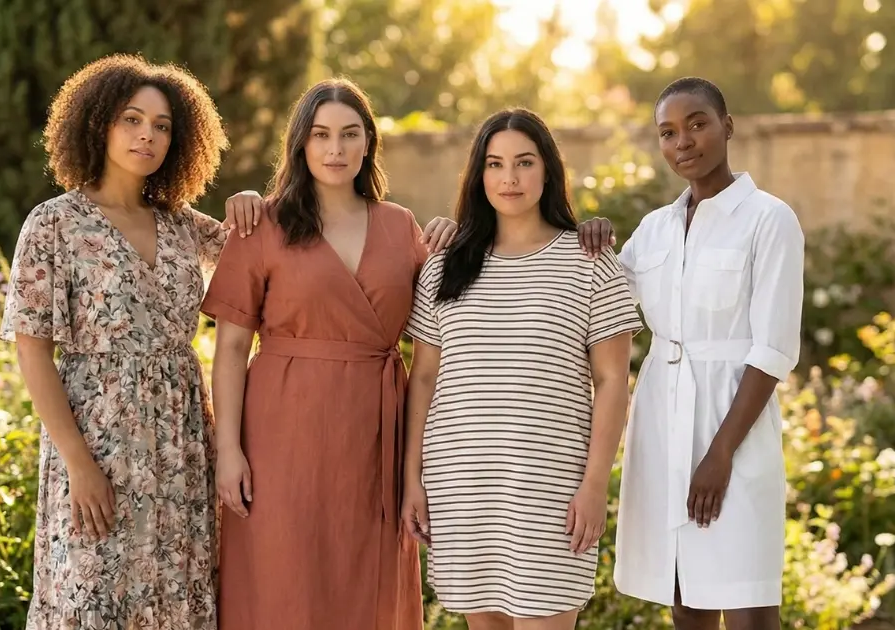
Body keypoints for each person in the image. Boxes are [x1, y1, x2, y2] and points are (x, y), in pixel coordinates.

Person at [204, 80, 618, 630]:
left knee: (365, 580)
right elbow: (230, 349)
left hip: (376, 439)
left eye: (350, 134)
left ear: (369, 143)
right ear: (299, 143)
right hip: (281, 433)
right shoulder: (262, 224)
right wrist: (228, 450)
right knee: (283, 578)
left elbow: (449, 327)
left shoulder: (404, 229)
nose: (335, 149)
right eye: (321, 135)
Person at [0, 54, 235, 628]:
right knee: (92, 591)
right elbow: (32, 349)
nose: (147, 136)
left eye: (161, 126)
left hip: (180, 444)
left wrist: (254, 203)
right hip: (96, 439)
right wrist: (79, 464)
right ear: (99, 123)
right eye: (132, 119)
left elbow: (272, 255)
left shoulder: (185, 225)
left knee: (175, 592)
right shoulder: (54, 223)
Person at [399, 108, 642, 630]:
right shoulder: (444, 266)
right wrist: (412, 478)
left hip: (550, 488)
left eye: (524, 163)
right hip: (460, 485)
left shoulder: (589, 261)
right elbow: (422, 379)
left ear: (548, 171)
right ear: (478, 174)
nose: (509, 178)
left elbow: (613, 382)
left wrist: (596, 483)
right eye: (495, 164)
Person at [611, 77, 805, 630]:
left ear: (728, 126)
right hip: (662, 427)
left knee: (747, 599)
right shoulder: (652, 231)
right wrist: (590, 236)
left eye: (697, 123)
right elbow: (597, 301)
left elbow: (772, 350)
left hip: (734, 431)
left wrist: (720, 455)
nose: (684, 142)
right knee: (686, 599)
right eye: (668, 132)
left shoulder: (769, 219)